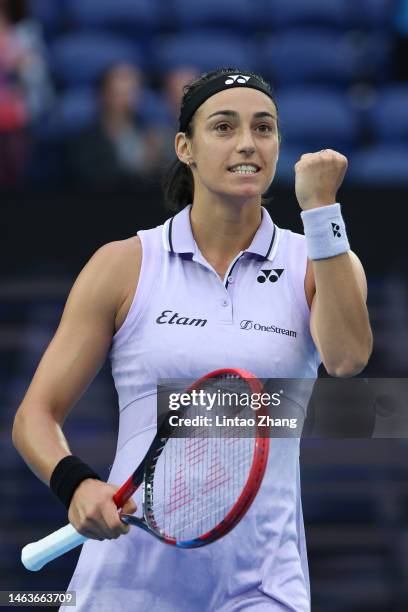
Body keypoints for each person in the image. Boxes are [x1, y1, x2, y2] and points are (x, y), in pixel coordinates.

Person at [12, 67, 373, 611]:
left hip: (262, 586)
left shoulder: (319, 262)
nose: (247, 143)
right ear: (185, 146)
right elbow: (34, 416)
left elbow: (346, 360)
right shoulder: (123, 265)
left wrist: (323, 212)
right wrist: (76, 483)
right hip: (126, 586)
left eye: (264, 128)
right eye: (224, 127)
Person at [65, 63, 164, 187]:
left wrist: (155, 163)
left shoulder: (149, 135)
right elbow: (91, 180)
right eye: (119, 94)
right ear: (103, 95)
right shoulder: (82, 141)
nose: (126, 100)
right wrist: (142, 168)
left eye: (131, 92)